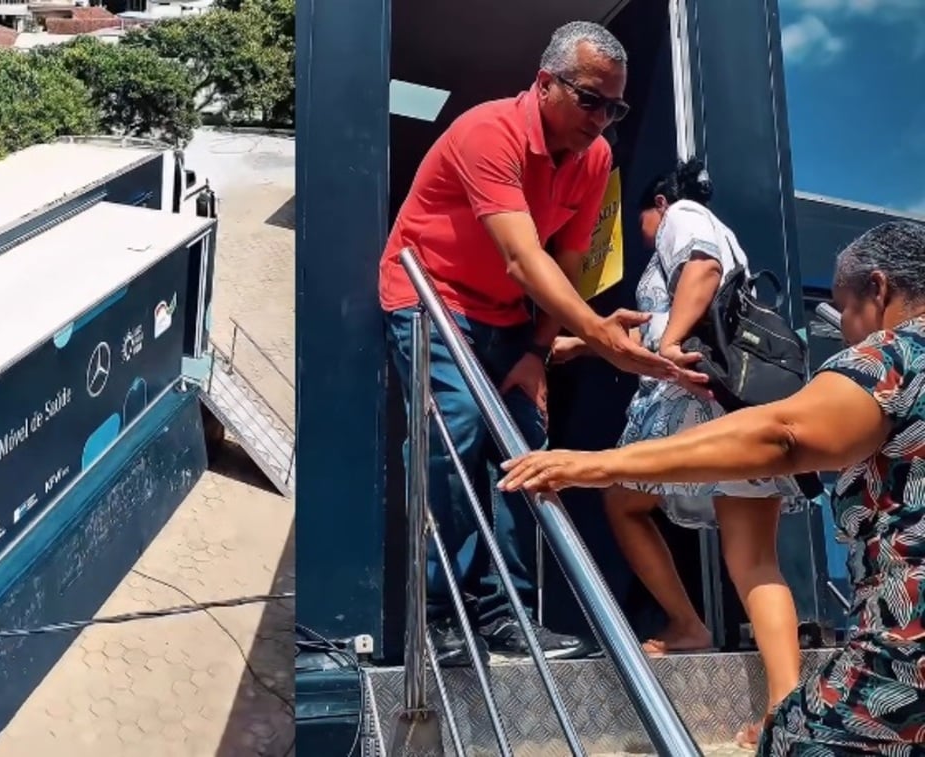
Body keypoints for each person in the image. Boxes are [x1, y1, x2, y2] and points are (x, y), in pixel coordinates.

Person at [498, 220, 925, 754]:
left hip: (906, 663)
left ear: (878, 289)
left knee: (796, 738)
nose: (844, 331)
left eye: (845, 310)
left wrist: (601, 463)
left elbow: (782, 433)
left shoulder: (893, 357)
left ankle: (708, 644)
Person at [379, 20, 707, 666]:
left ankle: (507, 615)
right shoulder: (488, 132)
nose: (601, 119)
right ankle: (440, 616)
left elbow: (569, 260)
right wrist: (598, 335)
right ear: (545, 83)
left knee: (526, 447)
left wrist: (537, 352)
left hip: (505, 317)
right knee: (455, 432)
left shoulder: (596, 158)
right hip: (430, 297)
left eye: (615, 109)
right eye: (590, 100)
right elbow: (524, 257)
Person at [546, 157, 804, 744]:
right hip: (736, 405)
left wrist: (668, 345)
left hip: (693, 401)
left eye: (642, 221)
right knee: (754, 560)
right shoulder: (710, 235)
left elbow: (702, 271)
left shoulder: (682, 215)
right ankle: (786, 710)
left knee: (621, 501)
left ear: (657, 204)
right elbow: (664, 315)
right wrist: (580, 344)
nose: (643, 236)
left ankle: (688, 623)